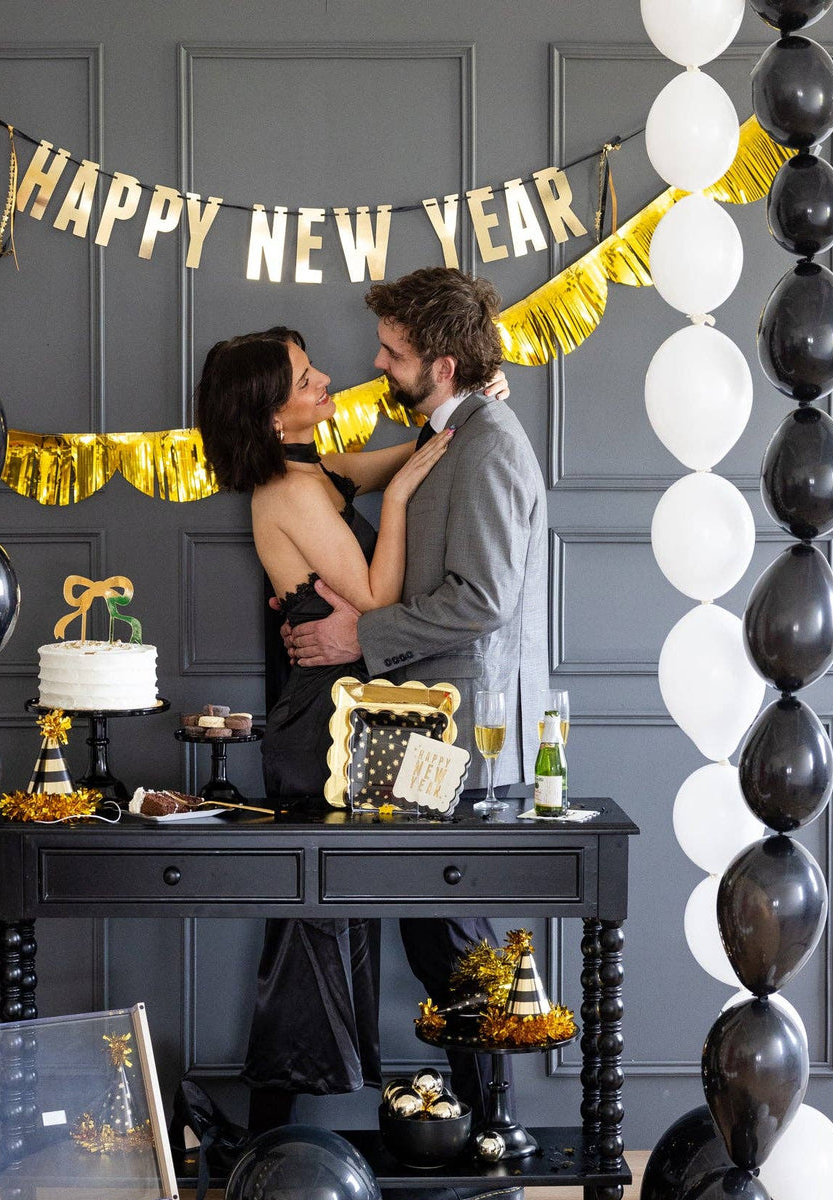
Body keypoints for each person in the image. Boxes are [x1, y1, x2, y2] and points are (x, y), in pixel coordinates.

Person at [279, 266, 550, 1127]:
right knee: (437, 932)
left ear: (440, 364)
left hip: (460, 732)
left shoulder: (491, 441)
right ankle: (481, 1127)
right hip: (419, 725)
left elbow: (482, 599)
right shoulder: (453, 428)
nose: (376, 364)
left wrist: (362, 638)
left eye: (393, 354)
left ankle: (494, 1133)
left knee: (451, 937)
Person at [195, 325, 464, 1132]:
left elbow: (374, 463)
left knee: (328, 919)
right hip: (327, 732)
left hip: (347, 718)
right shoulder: (291, 493)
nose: (329, 385)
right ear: (274, 418)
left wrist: (451, 423)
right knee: (317, 922)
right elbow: (378, 602)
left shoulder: (308, 470)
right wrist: (409, 496)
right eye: (308, 381)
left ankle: (267, 1138)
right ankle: (270, 1140)